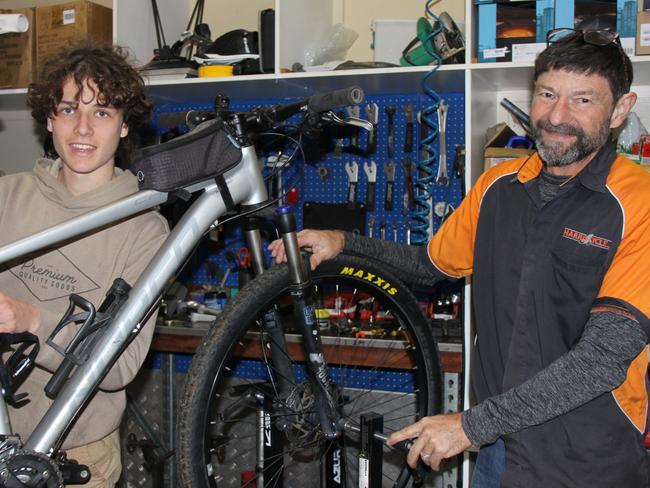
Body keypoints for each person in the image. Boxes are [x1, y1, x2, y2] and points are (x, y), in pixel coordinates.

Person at [269, 29, 650, 487]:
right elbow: (428, 265)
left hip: (589, 463)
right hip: (499, 454)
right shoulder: (498, 188)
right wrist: (344, 243)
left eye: (582, 100)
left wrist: (470, 426)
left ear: (621, 110)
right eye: (547, 94)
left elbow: (602, 359)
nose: (557, 116)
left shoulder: (638, 203)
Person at [0, 44, 169, 487]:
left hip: (76, 455)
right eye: (70, 108)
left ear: (125, 125)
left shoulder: (144, 229)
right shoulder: (8, 197)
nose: (82, 128)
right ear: (50, 118)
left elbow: (119, 367)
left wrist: (30, 318)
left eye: (102, 113)